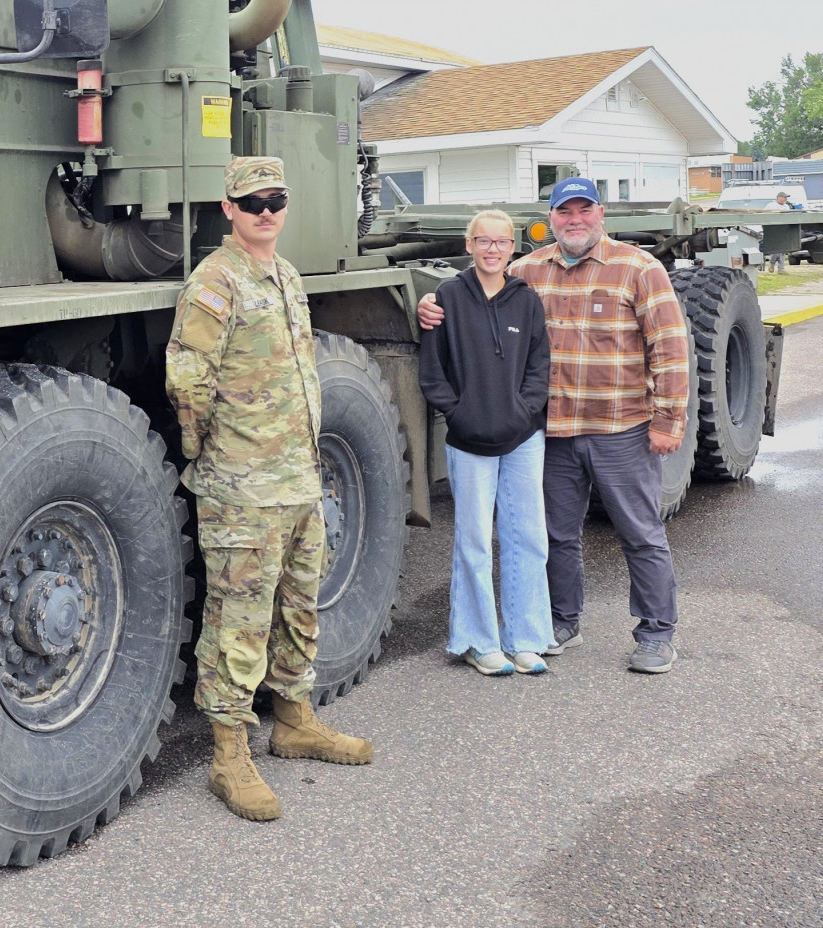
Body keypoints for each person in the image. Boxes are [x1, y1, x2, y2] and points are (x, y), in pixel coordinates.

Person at [166, 155, 374, 824]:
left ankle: (293, 720)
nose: (264, 211)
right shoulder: (215, 281)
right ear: (228, 208)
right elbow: (187, 380)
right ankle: (229, 755)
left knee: (297, 606)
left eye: (275, 200)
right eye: (251, 201)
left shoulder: (284, 274)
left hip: (297, 479)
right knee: (238, 621)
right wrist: (215, 458)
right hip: (243, 486)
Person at [419, 176, 690, 674]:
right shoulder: (528, 270)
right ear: (551, 219)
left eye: (585, 211)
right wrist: (431, 305)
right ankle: (562, 621)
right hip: (553, 431)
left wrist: (668, 418)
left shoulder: (638, 268)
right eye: (566, 212)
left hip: (620, 428)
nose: (575, 221)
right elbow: (479, 282)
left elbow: (669, 346)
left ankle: (655, 633)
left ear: (600, 215)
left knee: (640, 532)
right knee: (555, 536)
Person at [418, 209, 553, 678]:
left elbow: (539, 368)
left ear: (514, 247)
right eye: (483, 240)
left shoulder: (526, 301)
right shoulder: (446, 300)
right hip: (468, 439)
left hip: (523, 439)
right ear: (469, 244)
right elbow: (432, 373)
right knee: (474, 540)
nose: (492, 249)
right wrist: (459, 413)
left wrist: (523, 411)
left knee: (527, 537)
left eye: (501, 241)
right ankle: (477, 640)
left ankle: (527, 638)